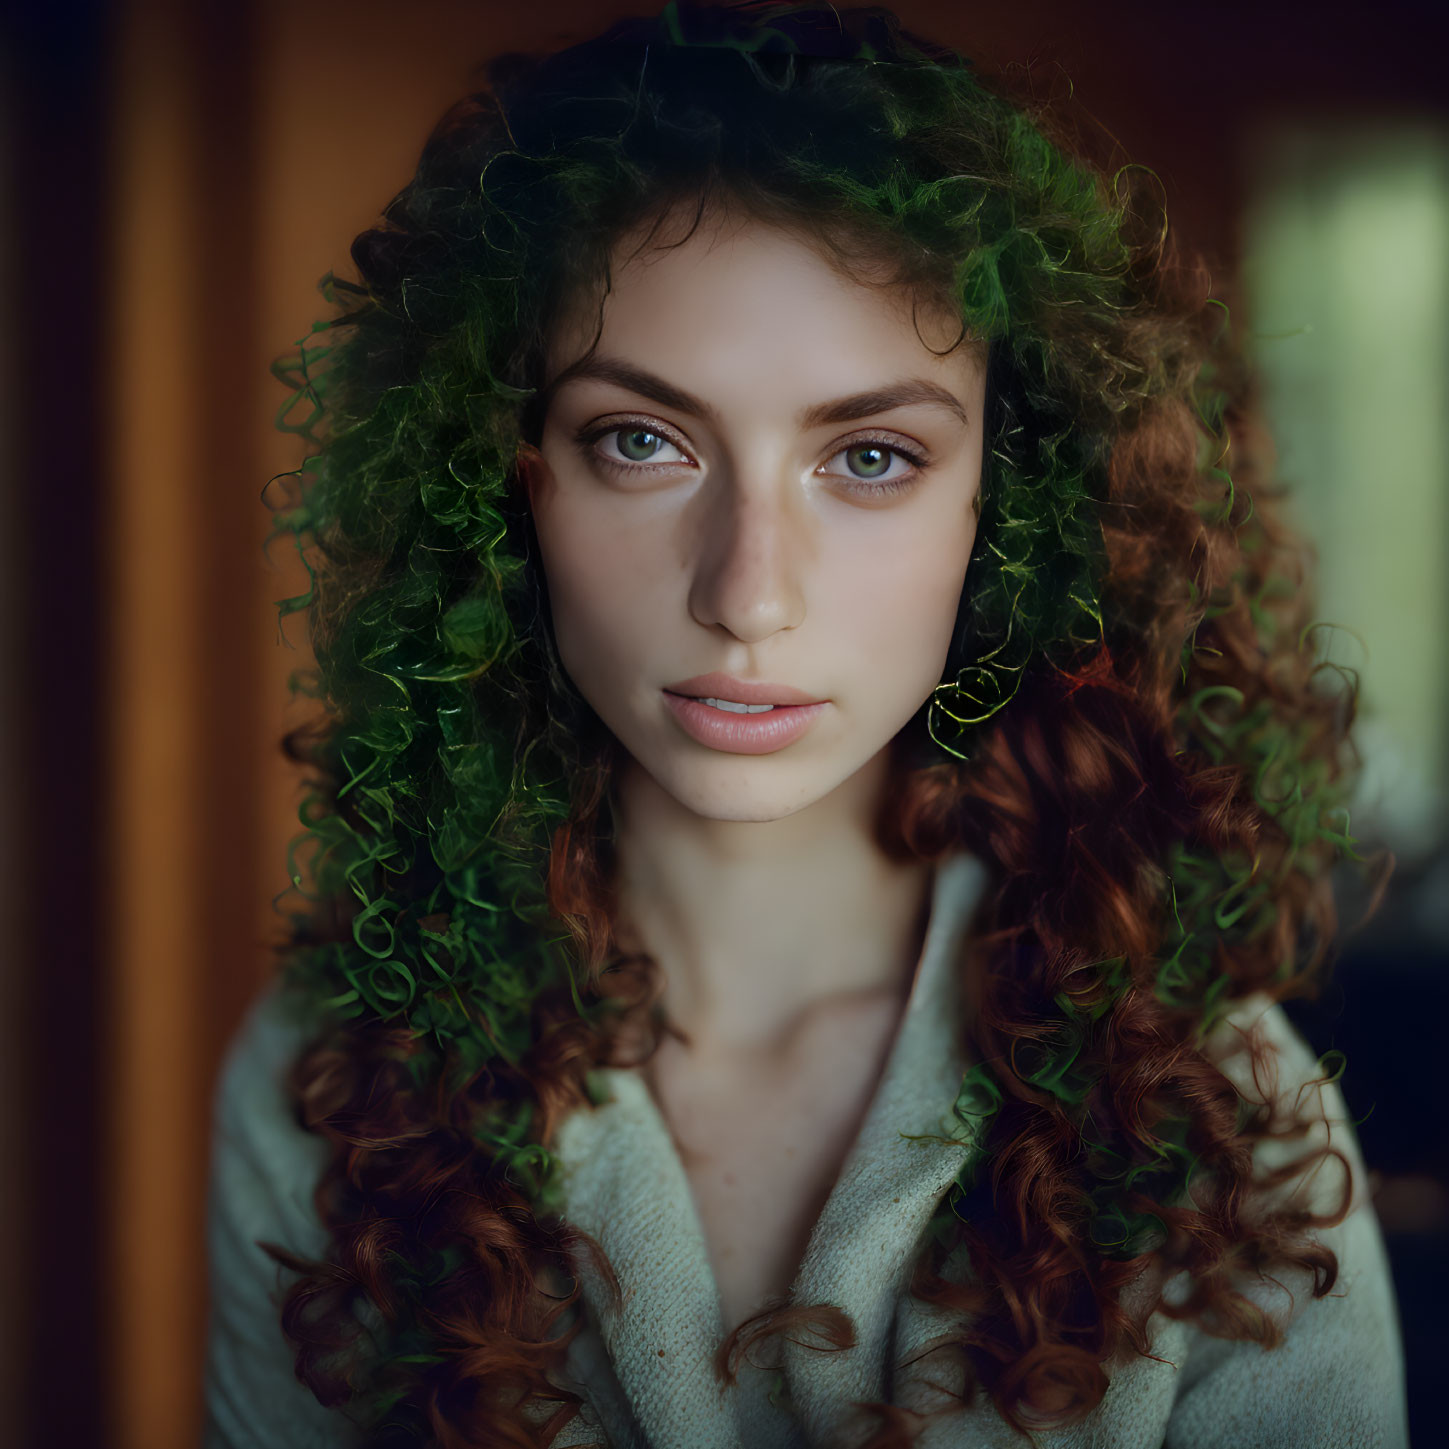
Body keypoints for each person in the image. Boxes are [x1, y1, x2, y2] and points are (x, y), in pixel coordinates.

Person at [202, 3, 1409, 1446]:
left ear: (1003, 512)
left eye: (871, 456)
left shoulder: (1209, 1100)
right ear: (503, 479)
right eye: (639, 440)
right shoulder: (337, 1076)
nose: (745, 594)